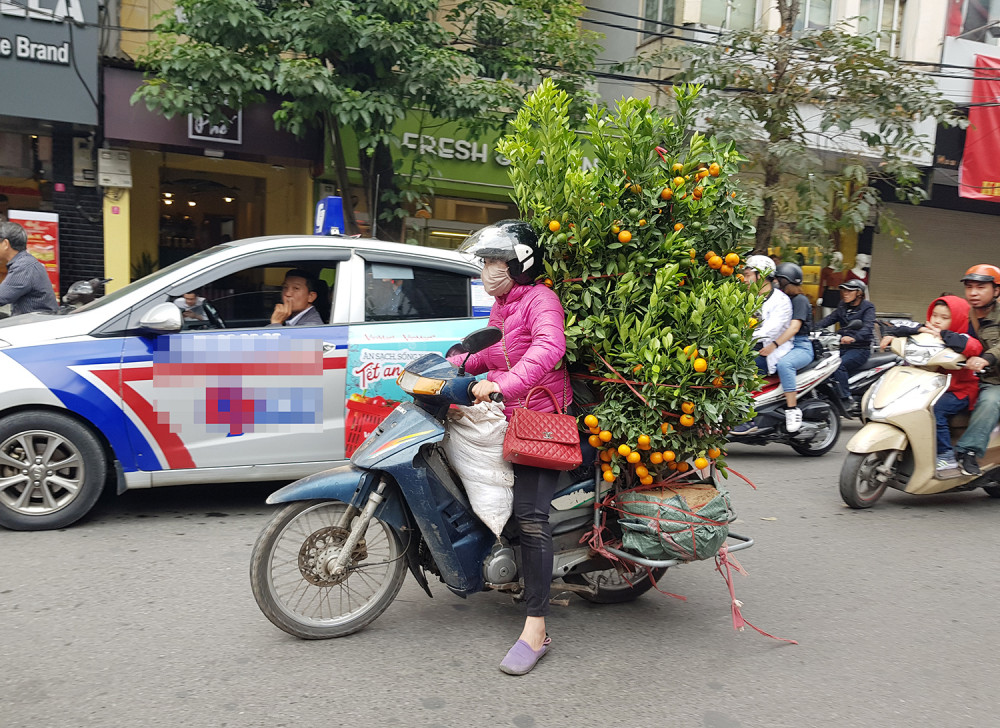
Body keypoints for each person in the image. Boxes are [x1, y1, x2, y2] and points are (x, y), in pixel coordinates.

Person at [446, 219, 569, 676]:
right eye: (483, 260)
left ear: (520, 263)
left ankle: (536, 628)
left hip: (542, 418)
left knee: (531, 516)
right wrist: (450, 362)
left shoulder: (542, 300)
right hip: (506, 413)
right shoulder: (502, 306)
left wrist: (505, 386)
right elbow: (491, 352)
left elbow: (547, 347)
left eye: (493, 260)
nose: (485, 268)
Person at [879, 295, 982, 473]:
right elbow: (906, 328)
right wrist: (892, 335)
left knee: (935, 410)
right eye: (935, 315)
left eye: (944, 318)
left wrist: (942, 334)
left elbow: (973, 347)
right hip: (932, 387)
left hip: (960, 391)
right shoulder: (927, 333)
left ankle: (946, 454)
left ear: (957, 318)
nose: (937, 321)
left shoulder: (962, 336)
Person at [731, 255, 791, 435]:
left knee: (740, 371)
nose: (745, 279)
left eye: (748, 275)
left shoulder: (780, 301)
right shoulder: (748, 298)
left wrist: (741, 337)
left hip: (770, 350)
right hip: (750, 348)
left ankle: (747, 419)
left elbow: (770, 331)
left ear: (761, 275)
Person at [953, 264, 1000, 477]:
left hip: (995, 380)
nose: (973, 292)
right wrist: (901, 334)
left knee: (990, 401)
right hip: (972, 375)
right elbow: (943, 325)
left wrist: (986, 358)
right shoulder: (966, 312)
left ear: (996, 290)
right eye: (969, 287)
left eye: (981, 287)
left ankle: (968, 451)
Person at [766, 262, 815, 433]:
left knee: (785, 364)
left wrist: (774, 345)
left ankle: (792, 410)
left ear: (787, 281)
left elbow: (794, 328)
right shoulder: (778, 300)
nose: (776, 283)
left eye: (779, 279)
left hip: (800, 345)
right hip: (784, 343)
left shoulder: (799, 300)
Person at [816, 279, 875, 410]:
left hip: (860, 349)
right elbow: (829, 319)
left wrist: (854, 338)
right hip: (842, 347)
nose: (845, 293)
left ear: (859, 293)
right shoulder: (842, 306)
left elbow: (867, 327)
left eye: (849, 291)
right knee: (823, 365)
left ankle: (846, 398)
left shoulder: (868, 307)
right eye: (844, 290)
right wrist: (811, 328)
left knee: (838, 365)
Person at [0, 221, 57, 316]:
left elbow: (2, 296)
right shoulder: (25, 262)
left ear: (6, 244)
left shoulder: (24, 266)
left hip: (35, 326)